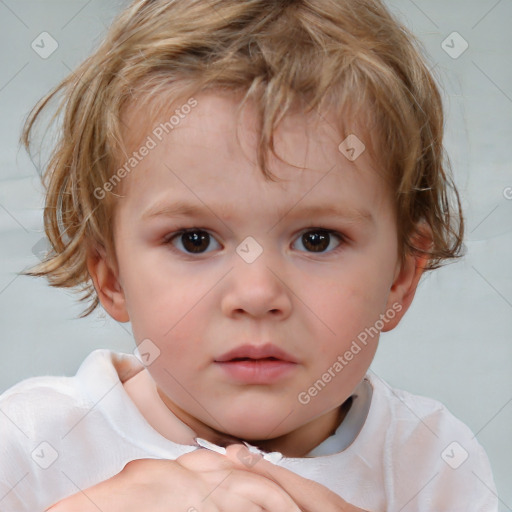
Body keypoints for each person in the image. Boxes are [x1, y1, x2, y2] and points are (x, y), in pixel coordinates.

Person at [0, 0, 498, 510]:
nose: (257, 295)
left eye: (317, 239)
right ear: (111, 277)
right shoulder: (29, 446)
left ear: (400, 279)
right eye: (194, 240)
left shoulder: (432, 462)